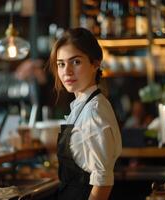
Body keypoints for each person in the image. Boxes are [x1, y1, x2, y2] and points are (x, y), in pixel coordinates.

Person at [49, 27, 122, 200]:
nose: (66, 71)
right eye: (61, 64)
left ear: (95, 63)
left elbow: (103, 182)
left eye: (76, 62)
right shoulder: (83, 105)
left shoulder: (94, 111)